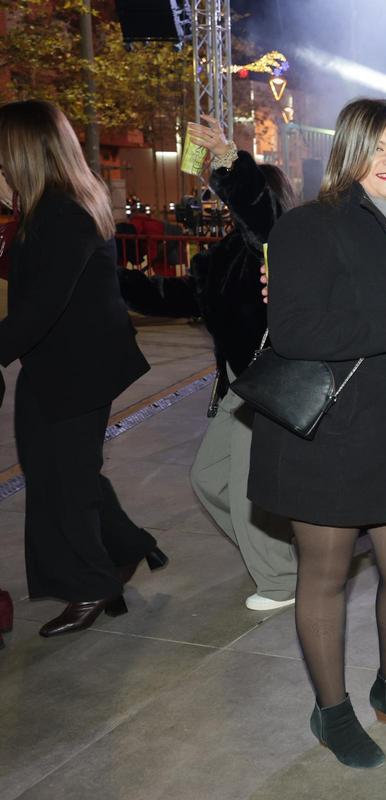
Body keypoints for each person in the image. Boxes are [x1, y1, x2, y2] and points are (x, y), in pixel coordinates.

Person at [248, 98, 386, 767]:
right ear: (349, 151)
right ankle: (331, 710)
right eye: (379, 147)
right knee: (327, 574)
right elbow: (298, 330)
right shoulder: (310, 225)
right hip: (330, 435)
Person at [0, 99, 167, 638]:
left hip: (76, 369)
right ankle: (127, 548)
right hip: (66, 364)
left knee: (60, 482)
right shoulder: (50, 206)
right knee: (66, 473)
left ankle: (92, 584)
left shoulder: (63, 213)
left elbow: (39, 309)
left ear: (22, 152)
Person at [119, 115, 298, 611]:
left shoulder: (279, 243)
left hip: (270, 382)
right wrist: (110, 277)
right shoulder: (219, 259)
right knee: (208, 478)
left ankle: (282, 580)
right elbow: (174, 296)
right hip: (237, 385)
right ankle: (284, 555)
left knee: (245, 486)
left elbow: (258, 216)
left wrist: (225, 158)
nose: (223, 209)